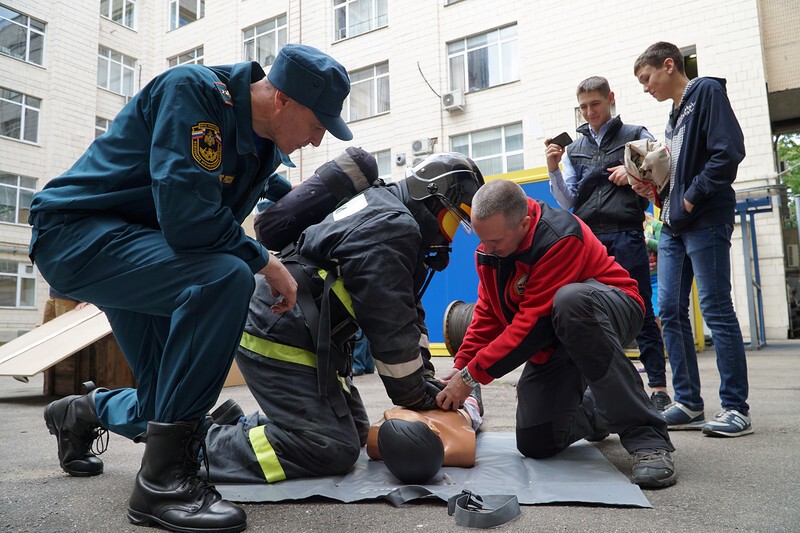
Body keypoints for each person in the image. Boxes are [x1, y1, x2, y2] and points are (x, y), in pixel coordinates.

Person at [30, 43, 353, 533]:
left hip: (146, 251)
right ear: (282, 99)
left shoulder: (260, 146)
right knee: (226, 275)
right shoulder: (196, 94)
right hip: (78, 234)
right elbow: (189, 222)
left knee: (170, 398)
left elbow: (273, 202)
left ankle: (80, 411)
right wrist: (267, 264)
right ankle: (161, 486)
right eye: (317, 125)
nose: (315, 140)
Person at [203, 152, 485, 485]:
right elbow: (390, 327)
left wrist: (424, 379)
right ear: (430, 198)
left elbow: (408, 312)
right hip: (276, 330)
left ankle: (235, 425)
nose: (446, 237)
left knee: (357, 433)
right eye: (451, 222)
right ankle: (196, 448)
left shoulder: (384, 209)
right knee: (330, 448)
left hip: (296, 328)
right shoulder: (392, 228)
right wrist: (415, 396)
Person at [436, 179, 677, 489]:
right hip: (555, 333)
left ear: (523, 224)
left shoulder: (559, 237)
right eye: (482, 241)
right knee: (536, 441)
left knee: (570, 301)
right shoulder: (489, 250)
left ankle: (648, 439)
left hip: (611, 307)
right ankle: (600, 410)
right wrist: (460, 366)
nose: (487, 249)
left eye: (495, 241)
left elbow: (532, 323)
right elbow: (488, 314)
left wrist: (470, 378)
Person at [633, 41, 752, 437]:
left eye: (647, 78)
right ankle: (688, 402)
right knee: (668, 309)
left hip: (704, 218)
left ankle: (736, 408)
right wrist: (653, 184)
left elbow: (729, 152)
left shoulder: (706, 92)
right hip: (672, 223)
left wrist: (691, 194)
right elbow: (680, 168)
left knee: (715, 308)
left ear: (669, 65)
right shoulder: (673, 115)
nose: (646, 87)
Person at [545, 76, 669, 411]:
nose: (589, 112)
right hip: (586, 240)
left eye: (595, 104)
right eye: (583, 107)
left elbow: (662, 169)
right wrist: (554, 170)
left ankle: (657, 387)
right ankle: (594, 392)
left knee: (640, 307)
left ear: (610, 98)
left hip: (626, 232)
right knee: (588, 315)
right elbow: (567, 202)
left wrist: (632, 174)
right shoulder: (573, 149)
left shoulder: (636, 134)